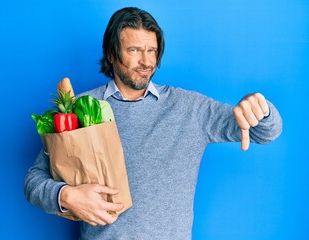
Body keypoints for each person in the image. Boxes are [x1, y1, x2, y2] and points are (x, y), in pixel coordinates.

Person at [24, 7, 282, 239]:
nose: (147, 62)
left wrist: (260, 109)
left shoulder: (189, 108)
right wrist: (66, 196)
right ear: (112, 54)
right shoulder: (80, 108)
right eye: (134, 50)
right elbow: (34, 180)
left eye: (152, 51)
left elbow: (265, 132)